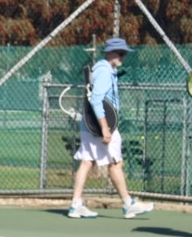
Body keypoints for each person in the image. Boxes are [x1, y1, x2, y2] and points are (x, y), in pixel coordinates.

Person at [66, 37, 155, 219]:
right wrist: (105, 128)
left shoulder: (104, 69)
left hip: (93, 124)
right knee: (114, 163)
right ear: (110, 53)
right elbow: (97, 99)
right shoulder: (105, 71)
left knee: (87, 161)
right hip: (100, 126)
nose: (123, 57)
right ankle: (128, 203)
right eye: (120, 53)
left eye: (124, 53)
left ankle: (76, 204)